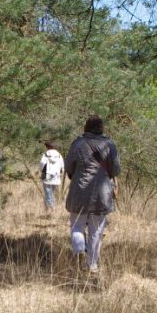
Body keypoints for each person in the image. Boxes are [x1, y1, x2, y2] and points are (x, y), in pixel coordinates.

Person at [65, 115, 121, 274]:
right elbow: (116, 170)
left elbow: (69, 166)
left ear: (86, 127)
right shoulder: (110, 144)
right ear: (101, 128)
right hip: (102, 194)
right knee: (96, 231)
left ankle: (79, 250)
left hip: (79, 192)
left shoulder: (77, 144)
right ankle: (92, 265)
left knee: (77, 225)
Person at [38, 140, 64, 214]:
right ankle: (46, 209)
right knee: (51, 192)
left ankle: (52, 208)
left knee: (48, 192)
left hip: (48, 174)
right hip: (56, 175)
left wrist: (41, 170)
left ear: (47, 147)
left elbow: (42, 163)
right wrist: (60, 172)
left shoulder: (46, 154)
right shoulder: (59, 154)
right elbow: (62, 165)